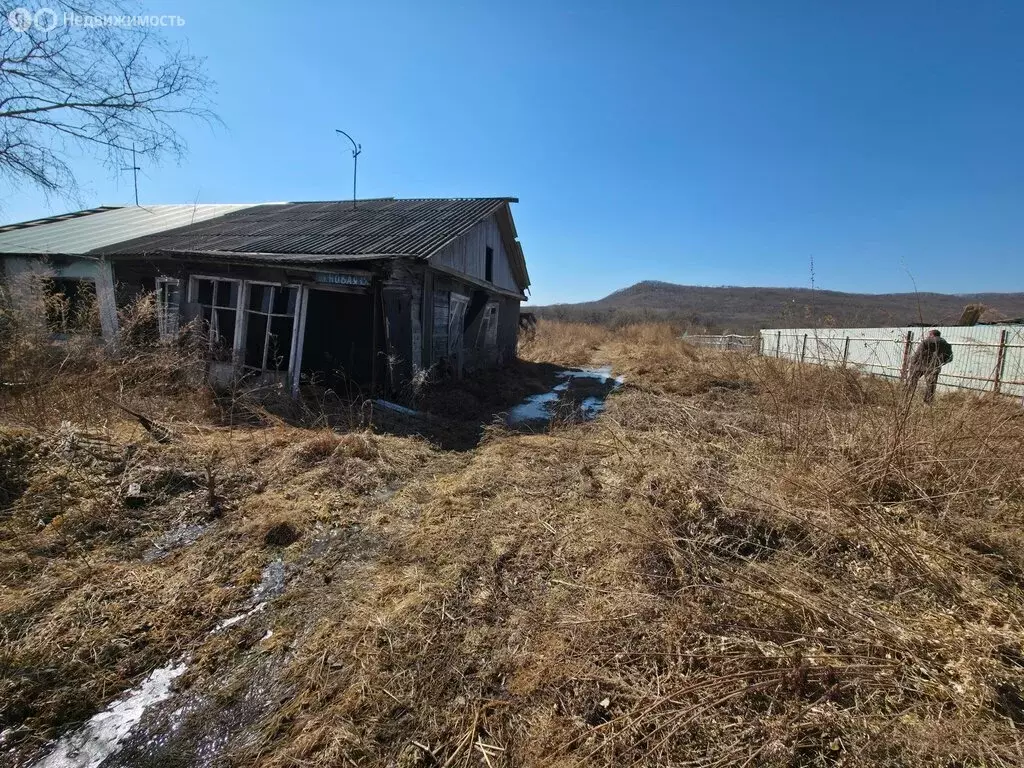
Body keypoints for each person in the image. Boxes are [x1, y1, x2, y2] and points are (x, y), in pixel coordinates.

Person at [906, 329, 953, 403]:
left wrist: (913, 364)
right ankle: (928, 404)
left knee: (912, 382)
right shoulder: (946, 345)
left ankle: (908, 398)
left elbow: (917, 354)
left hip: (919, 366)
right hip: (934, 367)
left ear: (932, 335)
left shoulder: (925, 342)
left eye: (929, 335)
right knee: (931, 387)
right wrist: (940, 363)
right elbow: (950, 358)